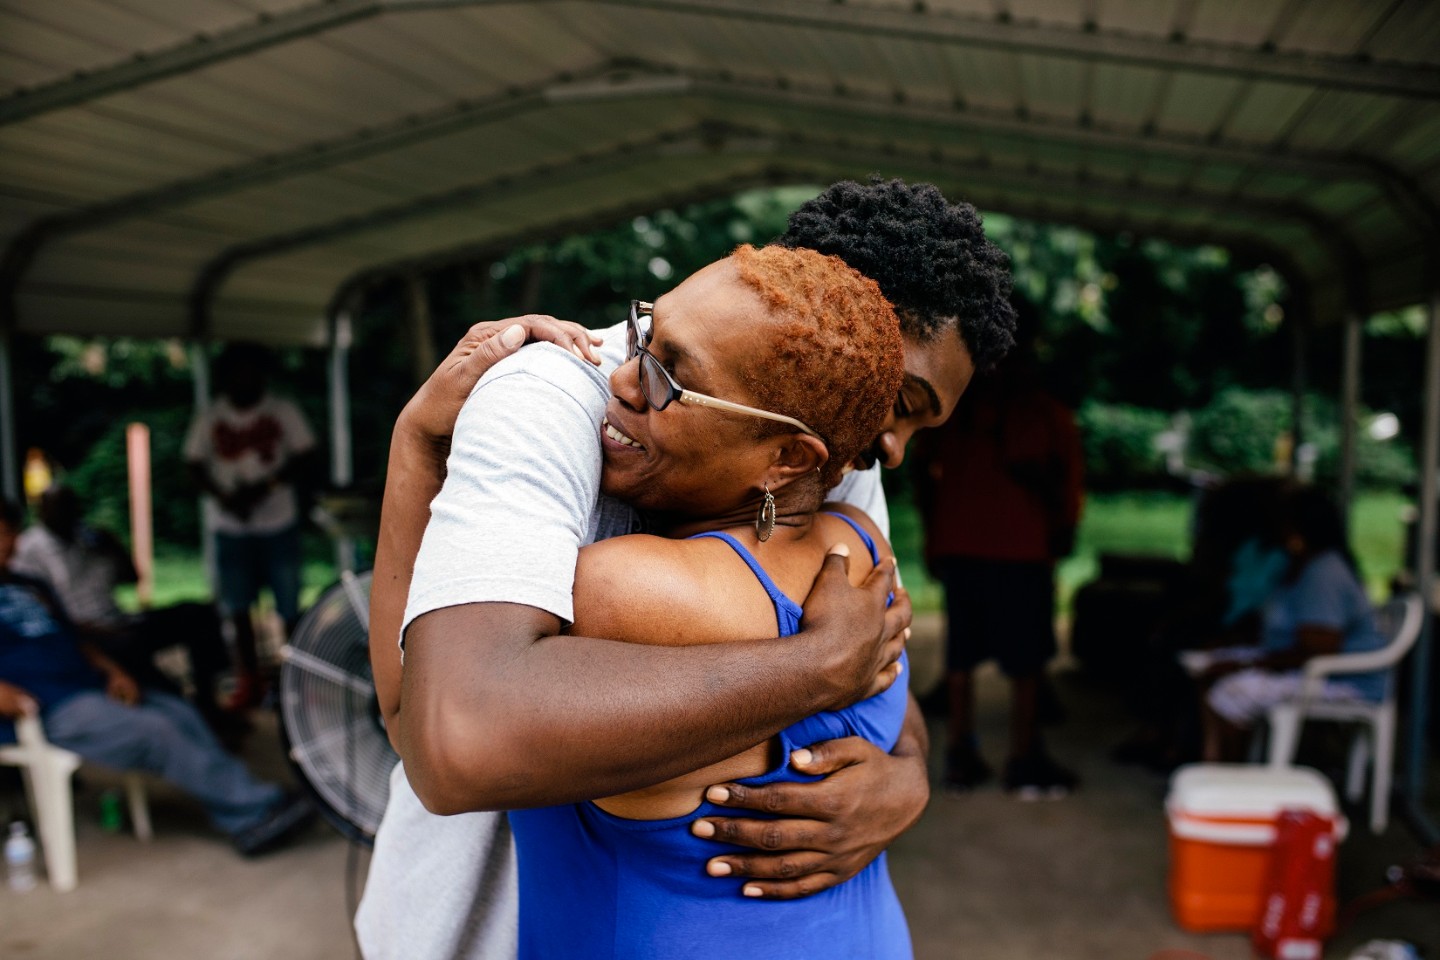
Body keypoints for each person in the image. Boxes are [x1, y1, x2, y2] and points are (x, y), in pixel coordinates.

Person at [357, 179, 1016, 959]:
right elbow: (447, 736)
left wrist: (907, 777)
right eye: (896, 398)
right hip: (474, 922)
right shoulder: (554, 409)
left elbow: (884, 680)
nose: (889, 442)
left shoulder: (833, 456)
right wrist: (819, 666)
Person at [0, 500, 314, 856]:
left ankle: (252, 802)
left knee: (179, 713)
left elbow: (76, 639)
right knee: (157, 731)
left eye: (11, 533)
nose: (10, 543)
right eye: (3, 534)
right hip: (46, 707)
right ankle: (253, 812)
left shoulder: (30, 585)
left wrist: (113, 670)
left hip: (87, 686)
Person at [913, 297, 1083, 797]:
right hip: (1022, 548)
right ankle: (1023, 756)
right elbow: (1065, 473)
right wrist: (1063, 527)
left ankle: (961, 756)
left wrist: (935, 530)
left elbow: (926, 467)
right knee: (1026, 661)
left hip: (961, 541)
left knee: (960, 654)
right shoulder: (1039, 403)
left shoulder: (958, 397)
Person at [11, 485, 234, 739]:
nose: (66, 514)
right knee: (132, 653)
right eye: (58, 508)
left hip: (120, 619)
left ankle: (207, 699)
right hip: (88, 632)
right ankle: (181, 711)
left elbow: (132, 578)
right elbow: (43, 614)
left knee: (196, 614)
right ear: (42, 512)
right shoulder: (30, 550)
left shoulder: (89, 537)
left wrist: (114, 546)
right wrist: (91, 631)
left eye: (70, 507)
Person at [1201, 485, 1388, 761]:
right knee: (1210, 667)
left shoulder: (1324, 574)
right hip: (1311, 668)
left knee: (1230, 690)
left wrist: (1247, 664)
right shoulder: (1302, 566)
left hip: (1342, 680)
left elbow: (1316, 650)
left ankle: (1229, 774)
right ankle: (1212, 763)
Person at [184, 342, 317, 709]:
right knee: (238, 609)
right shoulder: (211, 416)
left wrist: (266, 487)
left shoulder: (281, 410)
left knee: (289, 607)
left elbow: (306, 454)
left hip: (278, 522)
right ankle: (250, 681)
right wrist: (225, 497)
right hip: (230, 527)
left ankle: (296, 682)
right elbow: (193, 465)